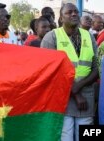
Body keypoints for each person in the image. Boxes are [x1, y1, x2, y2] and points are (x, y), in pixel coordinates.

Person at [41, 3, 98, 141]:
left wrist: (79, 87)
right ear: (61, 18)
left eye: (76, 12)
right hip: (62, 100)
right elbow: (50, 72)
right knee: (65, 137)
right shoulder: (51, 37)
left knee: (87, 136)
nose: (74, 14)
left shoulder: (89, 36)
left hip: (87, 99)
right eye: (69, 12)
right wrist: (76, 94)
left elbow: (97, 68)